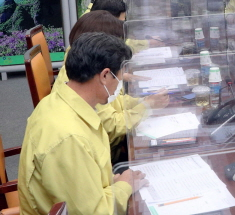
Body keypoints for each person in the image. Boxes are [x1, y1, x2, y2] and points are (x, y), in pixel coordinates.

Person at [18, 32, 148, 215]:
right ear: (105, 75)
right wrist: (125, 186)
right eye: (119, 78)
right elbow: (93, 212)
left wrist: (111, 182)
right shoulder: (69, 138)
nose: (119, 85)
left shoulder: (62, 101)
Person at [52, 11, 169, 159]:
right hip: (109, 152)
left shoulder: (81, 70)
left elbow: (114, 102)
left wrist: (142, 101)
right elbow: (112, 126)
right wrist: (146, 106)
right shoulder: (87, 88)